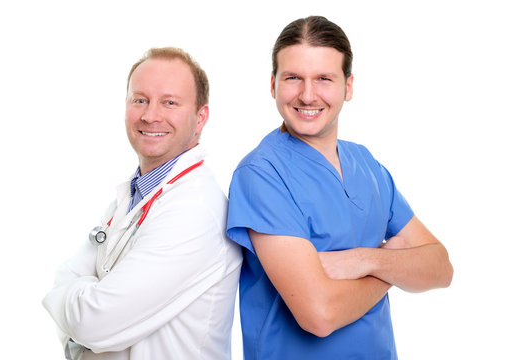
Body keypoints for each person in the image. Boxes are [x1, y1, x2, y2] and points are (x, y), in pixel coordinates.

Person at [226, 16, 453, 359]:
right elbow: (320, 315)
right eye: (293, 78)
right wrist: (392, 266)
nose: (307, 94)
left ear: (348, 87)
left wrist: (363, 260)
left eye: (323, 79)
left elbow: (440, 268)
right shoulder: (261, 174)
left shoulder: (366, 164)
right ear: (273, 84)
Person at [43, 47, 242, 360]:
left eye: (170, 102)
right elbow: (64, 279)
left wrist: (76, 308)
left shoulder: (195, 210)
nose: (150, 115)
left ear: (200, 117)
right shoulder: (134, 196)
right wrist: (81, 308)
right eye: (140, 100)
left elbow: (94, 323)